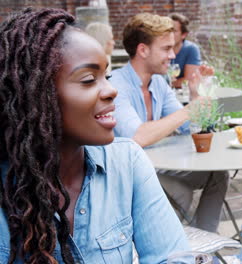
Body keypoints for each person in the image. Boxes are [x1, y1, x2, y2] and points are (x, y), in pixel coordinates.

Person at [0, 8, 189, 264]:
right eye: (89, 79)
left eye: (107, 76)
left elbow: (174, 258)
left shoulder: (126, 162)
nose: (111, 90)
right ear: (34, 95)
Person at [110, 13, 228, 233]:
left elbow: (186, 128)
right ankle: (170, 245)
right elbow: (138, 137)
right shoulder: (117, 86)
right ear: (143, 50)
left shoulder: (158, 82)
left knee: (218, 174)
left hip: (156, 167)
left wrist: (195, 94)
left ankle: (204, 243)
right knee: (180, 192)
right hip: (126, 176)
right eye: (166, 49)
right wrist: (189, 110)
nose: (173, 55)